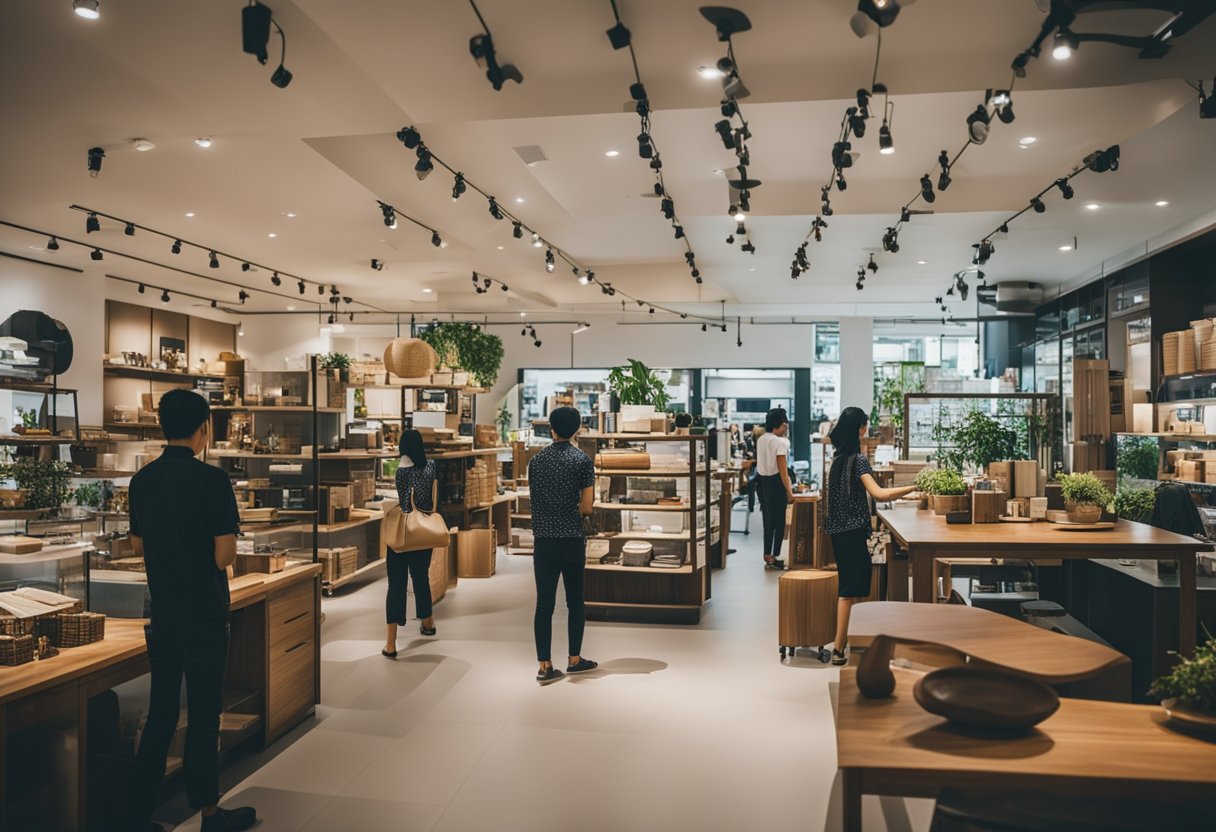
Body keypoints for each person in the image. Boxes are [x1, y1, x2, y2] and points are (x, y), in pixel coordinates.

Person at [127, 389, 256, 832]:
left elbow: (139, 546)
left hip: (163, 613)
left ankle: (137, 817)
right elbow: (224, 557)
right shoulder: (212, 481)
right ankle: (209, 815)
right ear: (204, 427)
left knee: (160, 714)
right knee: (204, 715)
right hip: (204, 612)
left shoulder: (141, 480)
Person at [826, 406, 917, 666]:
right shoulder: (859, 461)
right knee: (851, 591)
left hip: (838, 531)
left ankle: (847, 643)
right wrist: (912, 487)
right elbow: (879, 494)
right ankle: (842, 647)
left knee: (849, 590)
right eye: (865, 424)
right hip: (854, 531)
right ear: (858, 429)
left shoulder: (838, 461)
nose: (867, 429)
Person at [528, 405, 598, 685]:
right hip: (571, 538)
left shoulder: (537, 460)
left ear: (551, 429)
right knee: (575, 601)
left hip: (543, 539)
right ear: (577, 429)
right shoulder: (582, 461)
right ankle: (574, 660)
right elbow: (588, 507)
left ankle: (545, 665)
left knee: (544, 604)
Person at [383, 429, 438, 658]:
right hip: (423, 531)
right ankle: (428, 622)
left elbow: (404, 496)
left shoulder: (400, 469)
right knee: (420, 577)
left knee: (396, 585)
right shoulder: (431, 466)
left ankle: (391, 644)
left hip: (401, 533)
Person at [756, 408, 796, 570]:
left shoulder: (762, 439)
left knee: (768, 520)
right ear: (778, 425)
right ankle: (776, 556)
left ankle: (767, 554)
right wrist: (789, 491)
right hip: (776, 483)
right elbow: (783, 470)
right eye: (784, 425)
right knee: (779, 521)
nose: (786, 428)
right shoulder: (780, 442)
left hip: (762, 482)